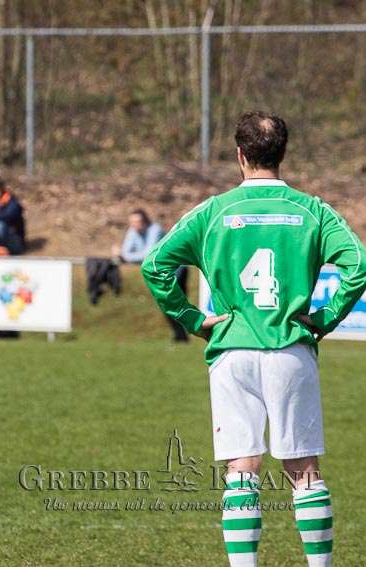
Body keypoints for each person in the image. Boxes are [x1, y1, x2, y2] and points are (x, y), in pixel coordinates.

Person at [142, 111, 366, 567]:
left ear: (240, 154)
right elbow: (358, 264)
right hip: (290, 348)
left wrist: (191, 319)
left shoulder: (213, 211)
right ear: (283, 152)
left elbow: (155, 265)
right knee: (304, 473)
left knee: (241, 472)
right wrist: (325, 318)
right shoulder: (313, 210)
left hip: (233, 351)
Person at [116, 209, 188, 341]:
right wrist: (126, 255)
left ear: (145, 221)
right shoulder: (132, 231)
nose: (135, 225)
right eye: (132, 222)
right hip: (160, 274)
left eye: (137, 222)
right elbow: (126, 251)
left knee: (178, 304)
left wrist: (126, 256)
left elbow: (148, 254)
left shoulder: (155, 230)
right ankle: (181, 337)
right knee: (166, 305)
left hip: (176, 271)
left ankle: (185, 335)